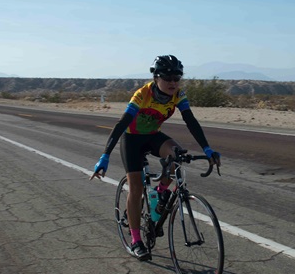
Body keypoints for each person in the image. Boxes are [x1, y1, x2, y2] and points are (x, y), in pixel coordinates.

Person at [90, 55, 221, 261]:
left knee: (177, 155)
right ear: (156, 77)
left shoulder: (178, 94)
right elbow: (122, 124)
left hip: (153, 137)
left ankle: (161, 194)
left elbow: (191, 121)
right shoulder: (143, 94)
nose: (173, 82)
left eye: (177, 77)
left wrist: (207, 148)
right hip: (132, 140)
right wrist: (105, 155)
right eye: (167, 78)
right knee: (136, 187)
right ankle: (136, 241)